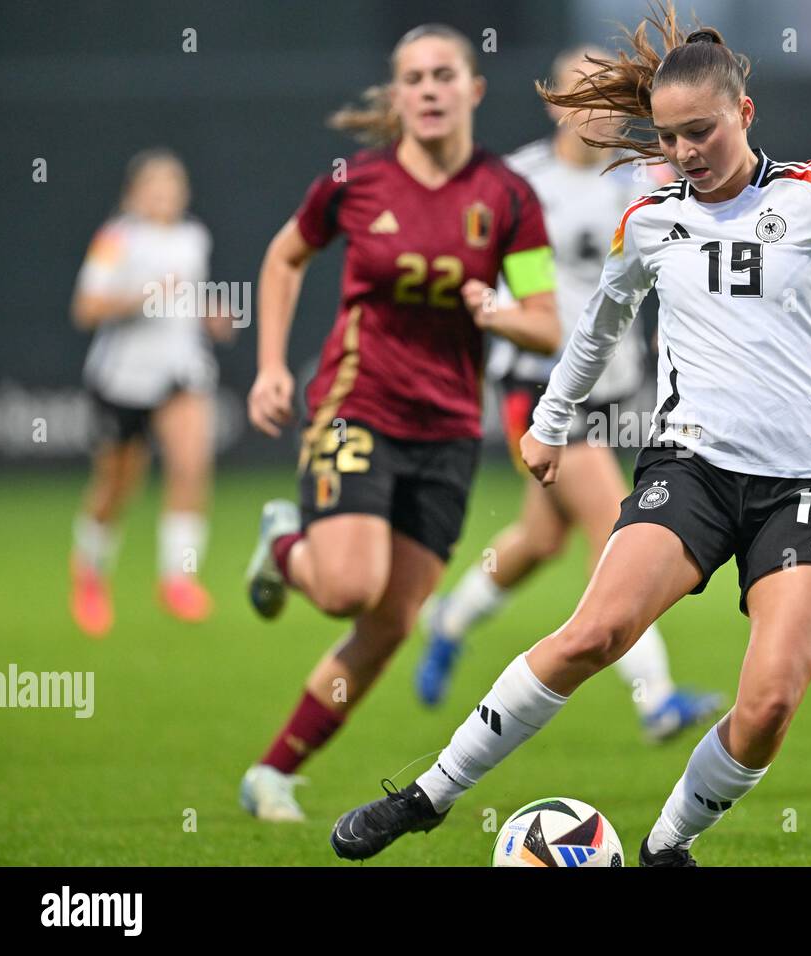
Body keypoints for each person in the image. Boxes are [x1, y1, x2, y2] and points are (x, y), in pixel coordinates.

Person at [329, 6, 811, 865]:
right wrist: (548, 426)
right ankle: (428, 797)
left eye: (702, 131)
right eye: (669, 137)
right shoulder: (649, 219)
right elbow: (596, 330)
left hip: (807, 489)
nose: (687, 152)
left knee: (767, 706)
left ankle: (665, 845)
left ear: (744, 114)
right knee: (592, 635)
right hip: (690, 467)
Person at [238, 23, 560, 823]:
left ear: (473, 90)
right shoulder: (359, 181)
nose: (427, 88)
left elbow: (550, 323)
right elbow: (284, 257)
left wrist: (502, 312)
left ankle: (272, 772)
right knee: (349, 586)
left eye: (443, 74)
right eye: (412, 77)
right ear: (398, 95)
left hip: (448, 429)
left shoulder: (510, 198)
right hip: (359, 404)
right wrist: (272, 366)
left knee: (390, 622)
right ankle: (286, 540)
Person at [414, 45, 722, 743]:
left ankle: (449, 622)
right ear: (553, 102)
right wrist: (487, 308)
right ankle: (656, 698)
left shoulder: (645, 179)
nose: (597, 108)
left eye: (608, 94)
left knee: (538, 538)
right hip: (538, 388)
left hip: (617, 387)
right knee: (613, 524)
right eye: (581, 93)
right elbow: (469, 273)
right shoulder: (516, 182)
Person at [69, 148, 228, 638]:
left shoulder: (194, 237)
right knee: (117, 487)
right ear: (133, 194)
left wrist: (213, 314)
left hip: (181, 371)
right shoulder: (116, 240)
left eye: (172, 185)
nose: (164, 195)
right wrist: (142, 296)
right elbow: (87, 308)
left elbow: (191, 295)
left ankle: (178, 578)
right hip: (123, 379)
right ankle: (91, 572)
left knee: (191, 465)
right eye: (153, 187)